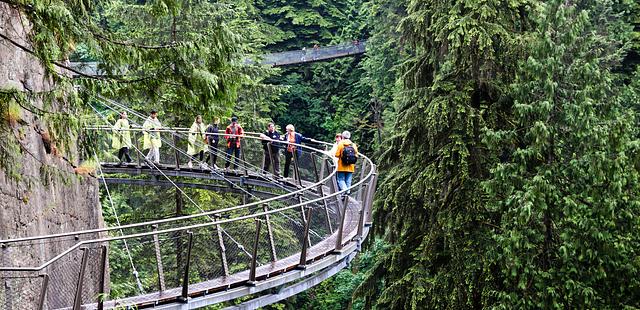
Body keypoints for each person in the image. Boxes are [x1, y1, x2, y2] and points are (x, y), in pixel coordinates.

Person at [335, 130, 359, 195]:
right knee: (348, 181)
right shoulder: (353, 145)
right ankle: (347, 194)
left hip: (341, 166)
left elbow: (337, 155)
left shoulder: (341, 144)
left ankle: (345, 191)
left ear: (343, 136)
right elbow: (356, 154)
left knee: (340, 179)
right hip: (350, 166)